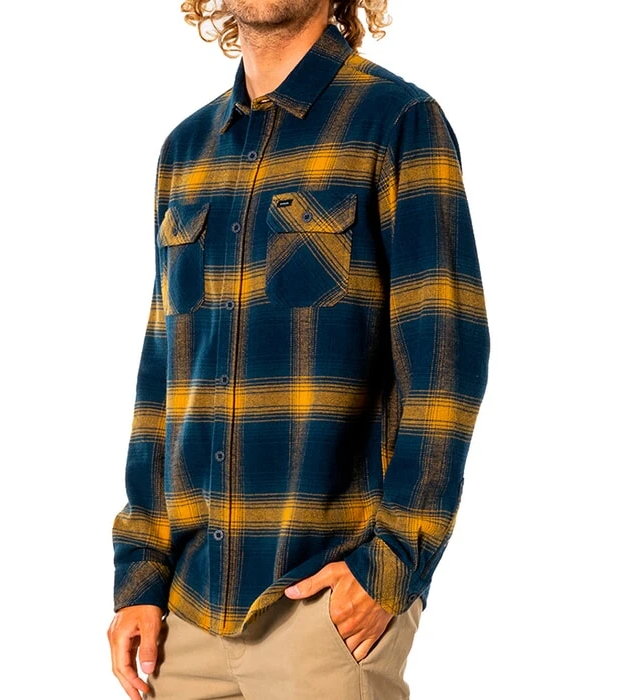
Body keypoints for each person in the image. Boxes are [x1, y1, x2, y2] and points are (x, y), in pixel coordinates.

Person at [106, 1, 490, 698]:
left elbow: (446, 361)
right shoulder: (185, 150)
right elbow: (163, 375)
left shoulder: (398, 122)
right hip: (184, 613)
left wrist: (390, 566)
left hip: (323, 608)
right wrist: (141, 573)